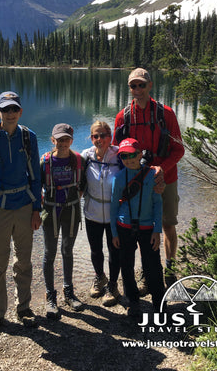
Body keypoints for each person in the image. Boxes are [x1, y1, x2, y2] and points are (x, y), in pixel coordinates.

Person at [0, 91, 42, 340]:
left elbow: (36, 176)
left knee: (23, 261)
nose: (10, 113)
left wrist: (37, 210)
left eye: (14, 109)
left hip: (24, 207)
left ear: (20, 112)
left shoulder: (28, 137)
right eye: (5, 110)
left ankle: (23, 308)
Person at [113, 68, 184, 288]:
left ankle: (169, 268)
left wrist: (160, 169)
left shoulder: (166, 114)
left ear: (150, 86)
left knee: (167, 224)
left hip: (166, 178)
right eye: (133, 86)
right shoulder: (123, 117)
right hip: (137, 182)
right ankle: (147, 272)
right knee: (141, 226)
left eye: (141, 85)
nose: (137, 90)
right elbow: (117, 151)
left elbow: (178, 149)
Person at [110, 138, 165, 316]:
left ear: (140, 154)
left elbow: (158, 203)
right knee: (126, 266)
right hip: (124, 226)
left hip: (148, 228)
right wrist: (113, 233)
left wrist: (157, 230)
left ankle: (159, 303)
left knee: (153, 266)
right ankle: (133, 302)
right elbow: (113, 207)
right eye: (124, 156)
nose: (129, 159)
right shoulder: (118, 178)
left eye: (132, 154)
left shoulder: (152, 175)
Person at [40, 123, 86, 319]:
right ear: (53, 140)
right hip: (50, 211)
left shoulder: (79, 160)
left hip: (71, 211)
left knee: (67, 251)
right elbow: (37, 186)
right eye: (60, 139)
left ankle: (69, 292)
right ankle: (51, 296)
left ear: (71, 141)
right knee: (49, 253)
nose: (63, 143)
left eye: (66, 139)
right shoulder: (45, 162)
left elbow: (83, 183)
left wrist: (75, 197)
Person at [81, 121, 122, 306]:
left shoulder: (119, 155)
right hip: (93, 213)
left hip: (115, 215)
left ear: (110, 136)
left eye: (104, 135)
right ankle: (100, 277)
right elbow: (75, 178)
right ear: (91, 138)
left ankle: (113, 285)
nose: (100, 139)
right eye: (96, 136)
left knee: (115, 250)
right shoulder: (85, 156)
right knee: (96, 250)